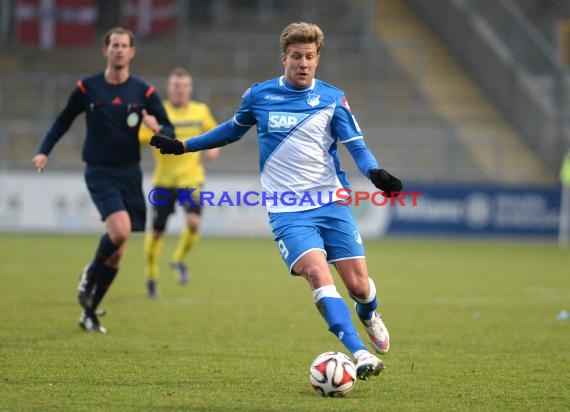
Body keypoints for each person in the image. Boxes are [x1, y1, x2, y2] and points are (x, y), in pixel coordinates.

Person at [150, 22, 403, 381]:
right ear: (284, 57)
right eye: (297, 56)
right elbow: (232, 130)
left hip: (331, 203)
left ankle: (369, 313)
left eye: (310, 57)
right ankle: (358, 352)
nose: (303, 63)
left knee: (359, 286)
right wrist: (185, 145)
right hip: (287, 210)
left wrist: (376, 174)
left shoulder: (332, 98)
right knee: (317, 273)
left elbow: (356, 147)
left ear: (318, 59)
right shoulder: (259, 96)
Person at [32, 27, 174, 333]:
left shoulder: (144, 92)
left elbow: (170, 132)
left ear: (132, 52)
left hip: (130, 173)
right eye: (115, 45)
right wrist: (44, 151)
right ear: (105, 50)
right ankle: (89, 276)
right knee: (120, 229)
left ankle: (89, 313)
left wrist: (157, 127)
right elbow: (63, 120)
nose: (120, 50)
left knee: (119, 247)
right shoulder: (87, 88)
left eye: (125, 46)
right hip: (99, 170)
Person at [139, 67, 219, 298]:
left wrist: (213, 150)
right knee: (156, 233)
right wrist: (154, 130)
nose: (180, 90)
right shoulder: (158, 112)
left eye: (184, 86)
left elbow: (214, 133)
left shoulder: (200, 110)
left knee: (194, 223)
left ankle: (178, 259)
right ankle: (152, 275)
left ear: (190, 89)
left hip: (191, 179)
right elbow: (142, 138)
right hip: (164, 182)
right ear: (169, 88)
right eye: (176, 86)